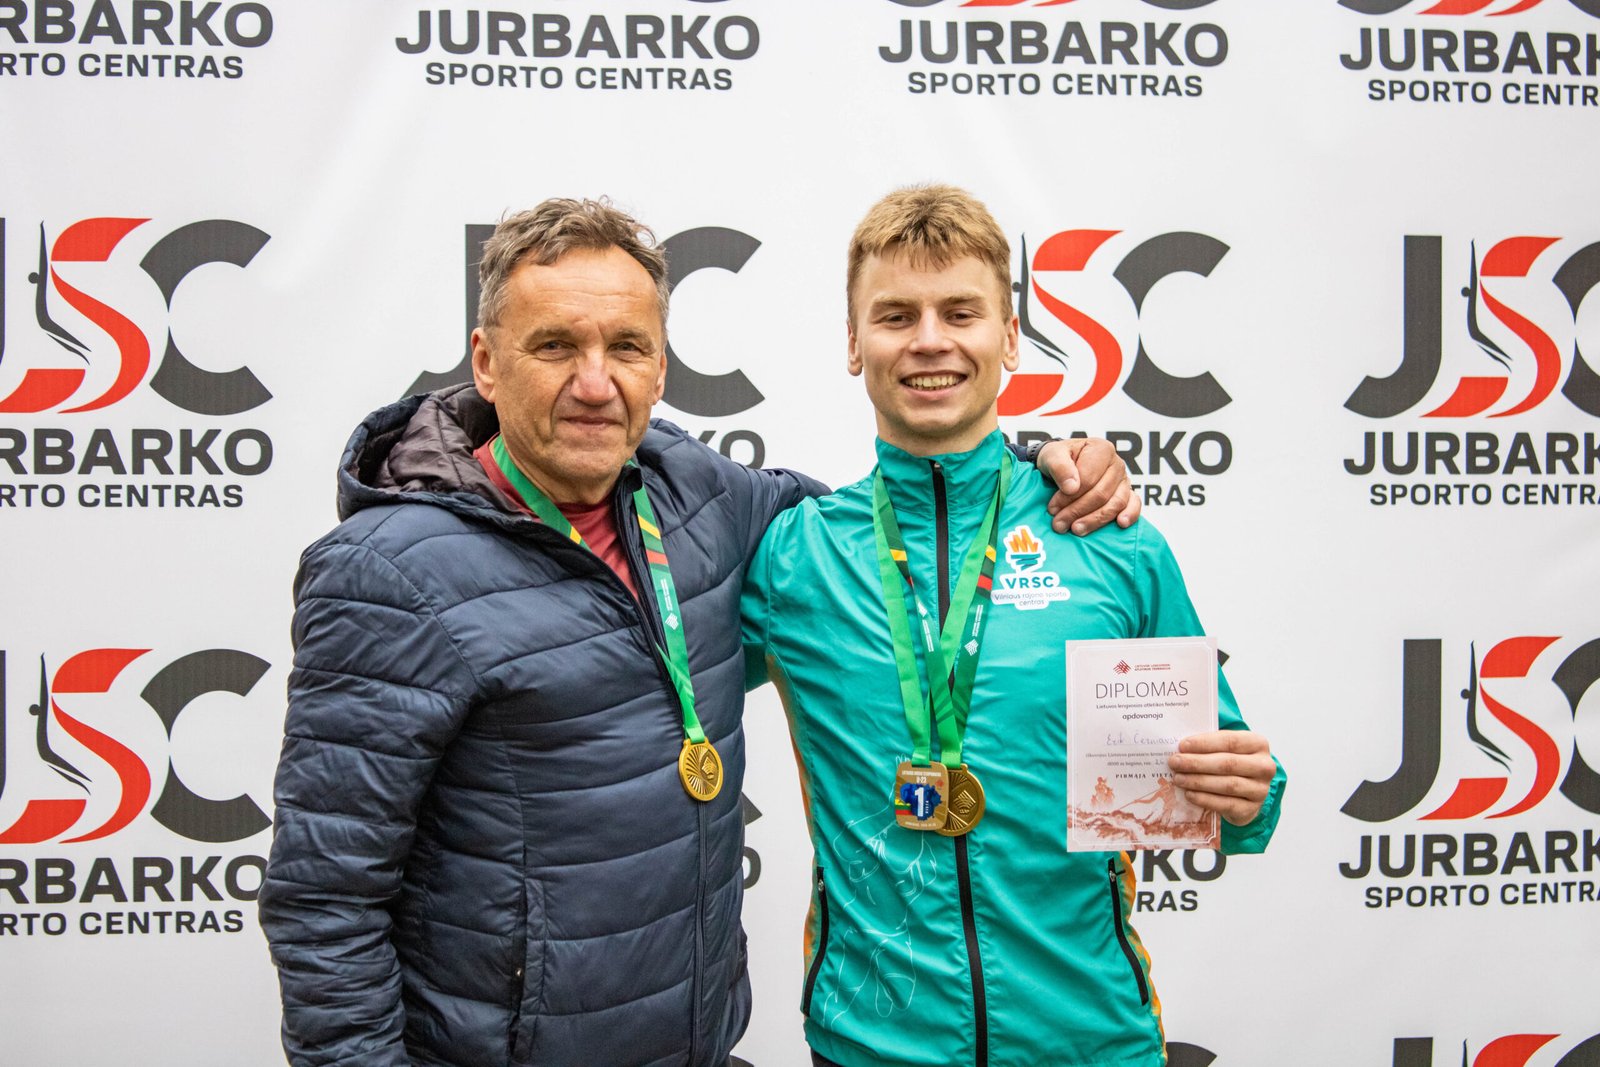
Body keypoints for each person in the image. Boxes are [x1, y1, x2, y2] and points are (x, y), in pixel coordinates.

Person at [257, 197, 1139, 1067]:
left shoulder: (699, 494)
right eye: (555, 345)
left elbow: (892, 518)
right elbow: (324, 900)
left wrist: (1039, 468)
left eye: (627, 347)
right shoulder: (388, 572)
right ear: (486, 363)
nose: (595, 383)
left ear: (661, 366)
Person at [740, 185, 1285, 1067]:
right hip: (872, 1043)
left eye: (961, 312)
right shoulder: (794, 557)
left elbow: (1228, 784)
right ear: (852, 342)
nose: (930, 339)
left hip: (1090, 1038)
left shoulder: (1109, 537)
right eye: (895, 315)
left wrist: (1250, 796)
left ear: (1011, 337)